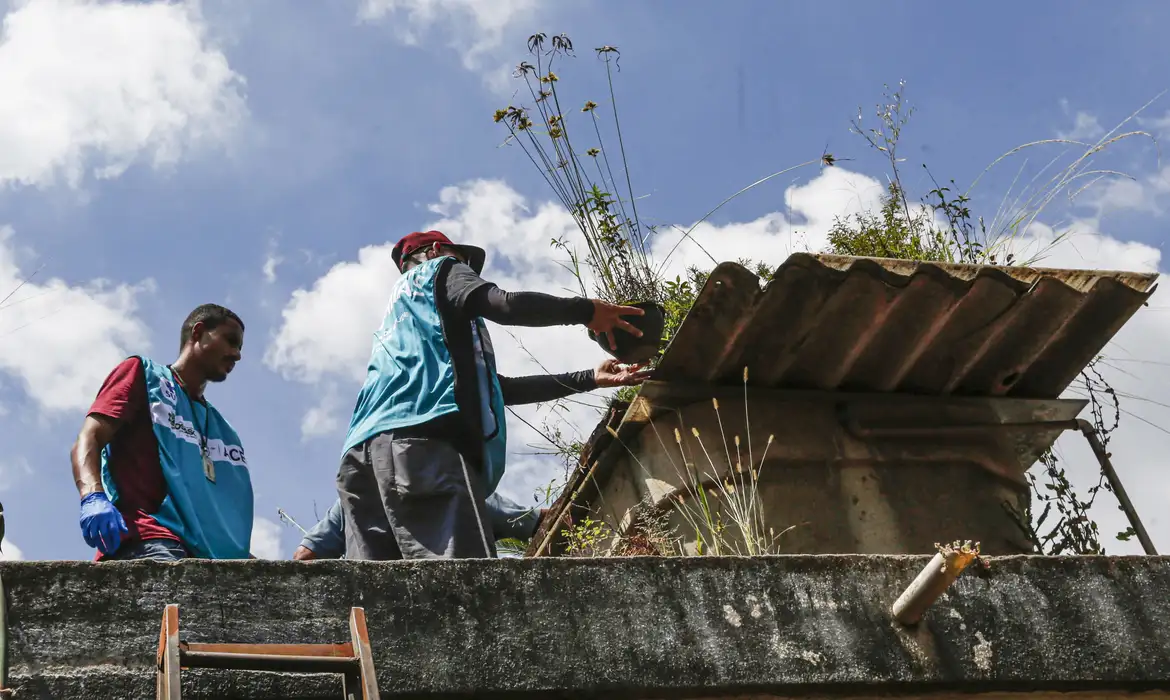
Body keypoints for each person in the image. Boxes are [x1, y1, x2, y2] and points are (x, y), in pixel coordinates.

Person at [338, 229, 651, 561]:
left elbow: (495, 390)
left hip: (358, 463)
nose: (468, 273)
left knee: (378, 599)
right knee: (464, 584)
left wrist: (589, 378)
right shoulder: (440, 269)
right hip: (419, 449)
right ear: (433, 250)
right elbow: (506, 305)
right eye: (462, 261)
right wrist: (587, 311)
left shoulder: (401, 319)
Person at [70, 304, 253, 562]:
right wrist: (93, 496)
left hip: (205, 557)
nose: (237, 355)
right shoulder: (143, 375)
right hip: (149, 540)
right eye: (231, 341)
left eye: (240, 347)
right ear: (199, 332)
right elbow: (89, 438)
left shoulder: (224, 430)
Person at [293, 493, 546, 560]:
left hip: (369, 617)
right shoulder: (453, 479)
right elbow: (530, 521)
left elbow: (305, 555)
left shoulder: (353, 498)